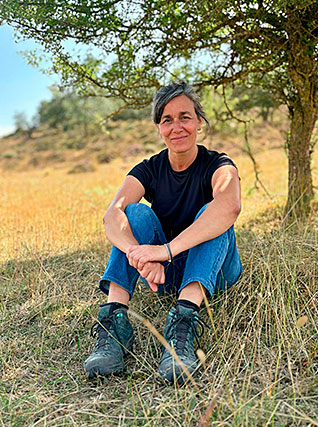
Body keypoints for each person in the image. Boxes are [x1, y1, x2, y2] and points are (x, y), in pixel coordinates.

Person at [84, 81, 243, 384]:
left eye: (185, 116)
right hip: (165, 274)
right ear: (159, 128)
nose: (177, 127)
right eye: (167, 120)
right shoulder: (149, 168)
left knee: (211, 214)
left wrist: (165, 250)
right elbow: (111, 215)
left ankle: (183, 324)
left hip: (217, 271)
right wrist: (139, 253)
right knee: (133, 213)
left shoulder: (219, 164)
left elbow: (230, 207)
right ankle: (114, 323)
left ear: (199, 122)